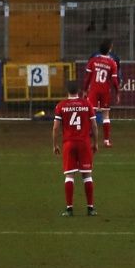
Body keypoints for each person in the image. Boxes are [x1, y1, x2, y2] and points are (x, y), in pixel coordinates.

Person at [51, 78, 98, 216]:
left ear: (67, 91)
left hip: (69, 143)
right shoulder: (87, 104)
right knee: (87, 175)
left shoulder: (61, 106)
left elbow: (55, 128)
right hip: (84, 143)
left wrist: (55, 145)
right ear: (78, 91)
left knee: (69, 176)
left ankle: (69, 209)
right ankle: (90, 208)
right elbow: (94, 125)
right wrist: (95, 142)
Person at [83, 39, 122, 147]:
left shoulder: (93, 60)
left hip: (94, 90)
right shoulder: (112, 63)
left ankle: (88, 135)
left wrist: (85, 90)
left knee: (90, 113)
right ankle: (106, 140)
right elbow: (114, 80)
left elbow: (88, 78)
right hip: (105, 91)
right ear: (110, 49)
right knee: (106, 115)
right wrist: (117, 93)